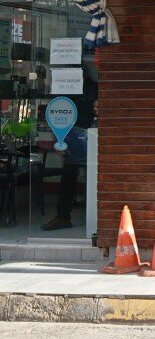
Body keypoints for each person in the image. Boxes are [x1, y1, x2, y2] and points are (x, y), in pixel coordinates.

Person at [41, 57, 98, 231]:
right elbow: (55, 115)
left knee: (90, 179)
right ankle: (64, 216)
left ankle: (91, 218)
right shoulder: (65, 90)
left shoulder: (92, 88)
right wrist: (58, 141)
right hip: (72, 138)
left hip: (90, 136)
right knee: (69, 177)